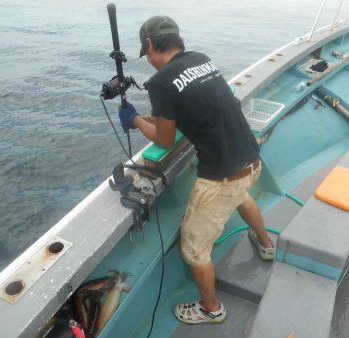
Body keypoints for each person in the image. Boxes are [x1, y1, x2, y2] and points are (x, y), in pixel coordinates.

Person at [118, 15, 275, 325]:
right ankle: (267, 246)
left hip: (222, 179)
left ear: (149, 44)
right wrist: (144, 117)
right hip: (252, 161)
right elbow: (189, 108)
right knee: (241, 196)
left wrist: (134, 120)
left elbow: (164, 139)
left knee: (194, 248)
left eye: (145, 51)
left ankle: (211, 308)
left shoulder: (160, 82)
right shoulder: (201, 60)